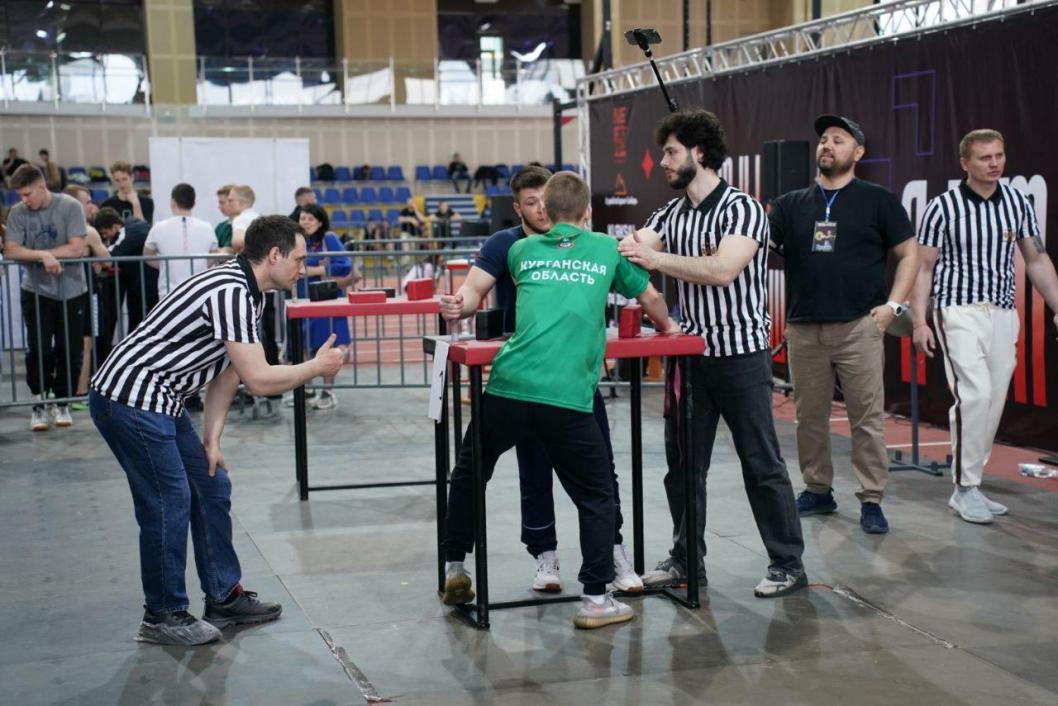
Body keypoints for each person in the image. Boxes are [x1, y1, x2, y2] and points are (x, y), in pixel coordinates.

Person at [90, 215, 345, 646]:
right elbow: (259, 380)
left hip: (159, 400)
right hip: (130, 398)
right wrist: (316, 367)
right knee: (169, 500)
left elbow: (228, 373)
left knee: (210, 485)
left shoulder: (249, 292)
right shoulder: (231, 292)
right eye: (299, 260)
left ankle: (224, 596)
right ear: (275, 255)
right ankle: (162, 614)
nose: (303, 269)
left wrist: (212, 439)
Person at [441, 171, 678, 629]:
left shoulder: (521, 251)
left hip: (509, 386)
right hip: (566, 395)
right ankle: (595, 599)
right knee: (597, 493)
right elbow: (650, 298)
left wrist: (460, 304)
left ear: (546, 211)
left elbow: (487, 291)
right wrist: (669, 327)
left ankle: (454, 565)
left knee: (469, 472)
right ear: (589, 211)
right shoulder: (607, 249)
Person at [619, 108, 806, 597]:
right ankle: (685, 562)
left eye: (671, 152)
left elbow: (723, 270)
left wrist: (654, 259)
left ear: (699, 153)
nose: (663, 162)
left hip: (741, 357)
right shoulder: (670, 213)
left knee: (761, 463)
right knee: (683, 466)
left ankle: (788, 563)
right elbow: (631, 249)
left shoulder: (743, 209)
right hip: (689, 358)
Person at [767, 115, 919, 534]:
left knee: (866, 419)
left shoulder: (878, 200)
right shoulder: (791, 204)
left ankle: (871, 498)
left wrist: (893, 306)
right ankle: (818, 489)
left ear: (858, 152)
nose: (827, 145)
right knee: (809, 418)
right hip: (803, 328)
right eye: (823, 139)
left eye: (838, 139)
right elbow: (758, 247)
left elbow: (909, 254)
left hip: (859, 326)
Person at [911, 129, 1058, 524]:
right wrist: (919, 320)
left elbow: (1037, 260)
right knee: (974, 395)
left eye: (999, 156)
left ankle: (972, 484)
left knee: (992, 400)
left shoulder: (1017, 202)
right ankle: (963, 488)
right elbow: (923, 268)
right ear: (965, 163)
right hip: (957, 311)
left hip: (1003, 312)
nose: (994, 164)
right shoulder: (942, 207)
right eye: (984, 158)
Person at [3, 164, 88, 431]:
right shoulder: (18, 212)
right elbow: (11, 250)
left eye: (27, 194)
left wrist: (45, 254)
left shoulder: (70, 206)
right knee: (38, 348)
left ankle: (62, 401)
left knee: (69, 348)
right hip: (36, 290)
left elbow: (77, 248)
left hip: (72, 290)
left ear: (42, 186)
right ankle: (39, 402)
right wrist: (43, 255)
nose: (23, 199)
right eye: (20, 195)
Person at [295, 204, 352, 410]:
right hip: (304, 298)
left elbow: (344, 265)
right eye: (303, 218)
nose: (306, 222)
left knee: (329, 345)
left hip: (327, 299)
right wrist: (315, 268)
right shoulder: (297, 240)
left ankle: (328, 391)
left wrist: (316, 270)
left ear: (320, 222)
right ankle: (308, 388)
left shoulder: (329, 238)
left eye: (310, 219)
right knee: (303, 345)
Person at [64, 185, 110, 410]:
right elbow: (107, 260)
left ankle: (66, 390)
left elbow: (104, 261)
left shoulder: (60, 228)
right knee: (85, 341)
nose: (91, 205)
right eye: (87, 201)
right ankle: (80, 391)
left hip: (68, 291)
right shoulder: (87, 231)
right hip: (81, 291)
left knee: (73, 340)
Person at [144, 183, 219, 299]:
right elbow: (214, 256)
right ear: (194, 203)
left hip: (169, 293)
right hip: (200, 291)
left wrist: (166, 264)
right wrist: (200, 263)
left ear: (172, 202)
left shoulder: (158, 227)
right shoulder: (207, 227)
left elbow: (147, 255)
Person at [94, 207, 159, 333]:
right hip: (141, 283)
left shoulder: (129, 232)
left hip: (145, 285)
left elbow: (111, 254)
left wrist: (96, 256)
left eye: (105, 233)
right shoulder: (136, 225)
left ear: (114, 227)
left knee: (141, 322)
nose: (105, 237)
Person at [228, 185, 260, 253]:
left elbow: (238, 242)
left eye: (230, 200)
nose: (228, 204)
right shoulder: (260, 217)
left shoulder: (240, 219)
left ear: (242, 202)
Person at [214, 184, 236, 254]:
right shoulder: (220, 227)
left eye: (222, 203)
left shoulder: (242, 226)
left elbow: (229, 251)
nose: (219, 207)